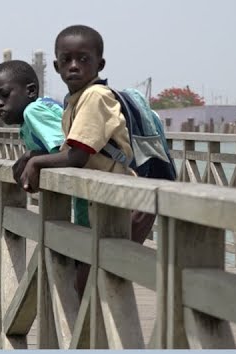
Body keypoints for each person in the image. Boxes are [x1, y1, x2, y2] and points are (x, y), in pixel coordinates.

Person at [17, 24, 154, 293]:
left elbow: (77, 156)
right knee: (93, 289)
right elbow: (69, 151)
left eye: (83, 59)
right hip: (106, 205)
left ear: (100, 64)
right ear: (56, 66)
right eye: (67, 60)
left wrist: (35, 162)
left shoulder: (95, 96)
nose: (74, 66)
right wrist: (34, 155)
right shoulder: (73, 101)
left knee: (88, 288)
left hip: (123, 207)